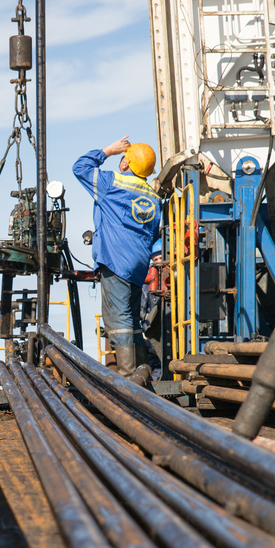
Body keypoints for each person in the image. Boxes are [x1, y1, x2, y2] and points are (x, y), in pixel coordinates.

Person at [72, 136, 159, 376]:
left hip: (115, 260)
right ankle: (143, 372)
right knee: (131, 321)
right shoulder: (153, 197)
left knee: (117, 320)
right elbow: (153, 233)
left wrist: (108, 150)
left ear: (126, 163)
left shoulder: (112, 183)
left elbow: (80, 167)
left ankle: (127, 377)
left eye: (122, 158)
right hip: (138, 265)